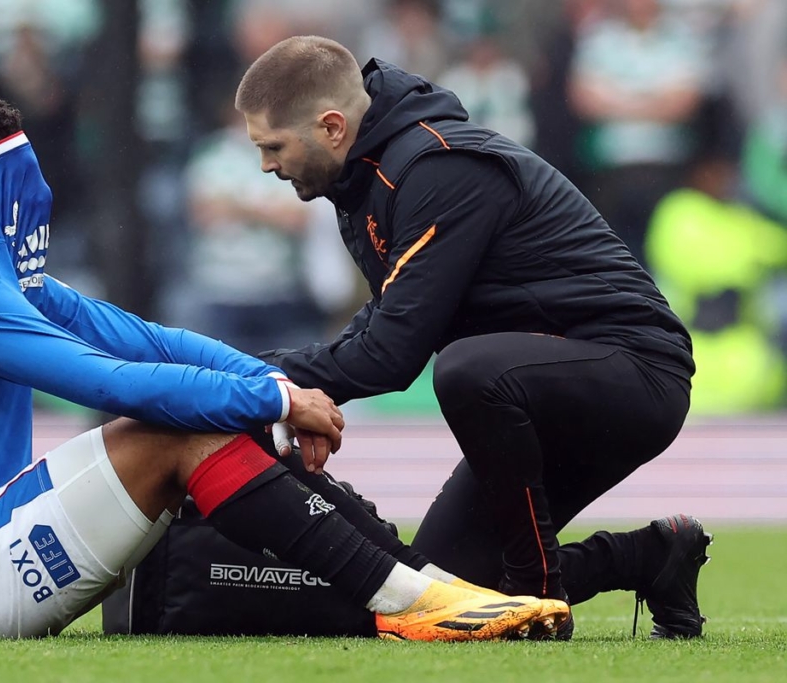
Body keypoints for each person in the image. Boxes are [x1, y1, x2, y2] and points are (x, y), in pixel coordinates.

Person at [0, 94, 568, 641]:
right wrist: (266, 397)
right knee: (173, 431)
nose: (39, 197)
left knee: (203, 417)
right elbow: (110, 382)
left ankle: (421, 584)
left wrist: (279, 390)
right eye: (24, 177)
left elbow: (148, 341)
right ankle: (411, 598)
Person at [235, 35, 710, 639]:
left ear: (332, 126)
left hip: (632, 372)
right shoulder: (367, 177)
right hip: (537, 387)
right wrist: (269, 377)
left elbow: (390, 354)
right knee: (438, 584)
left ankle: (542, 601)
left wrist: (256, 385)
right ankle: (651, 556)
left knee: (466, 370)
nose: (266, 165)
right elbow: (387, 319)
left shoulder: (436, 167)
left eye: (272, 146)